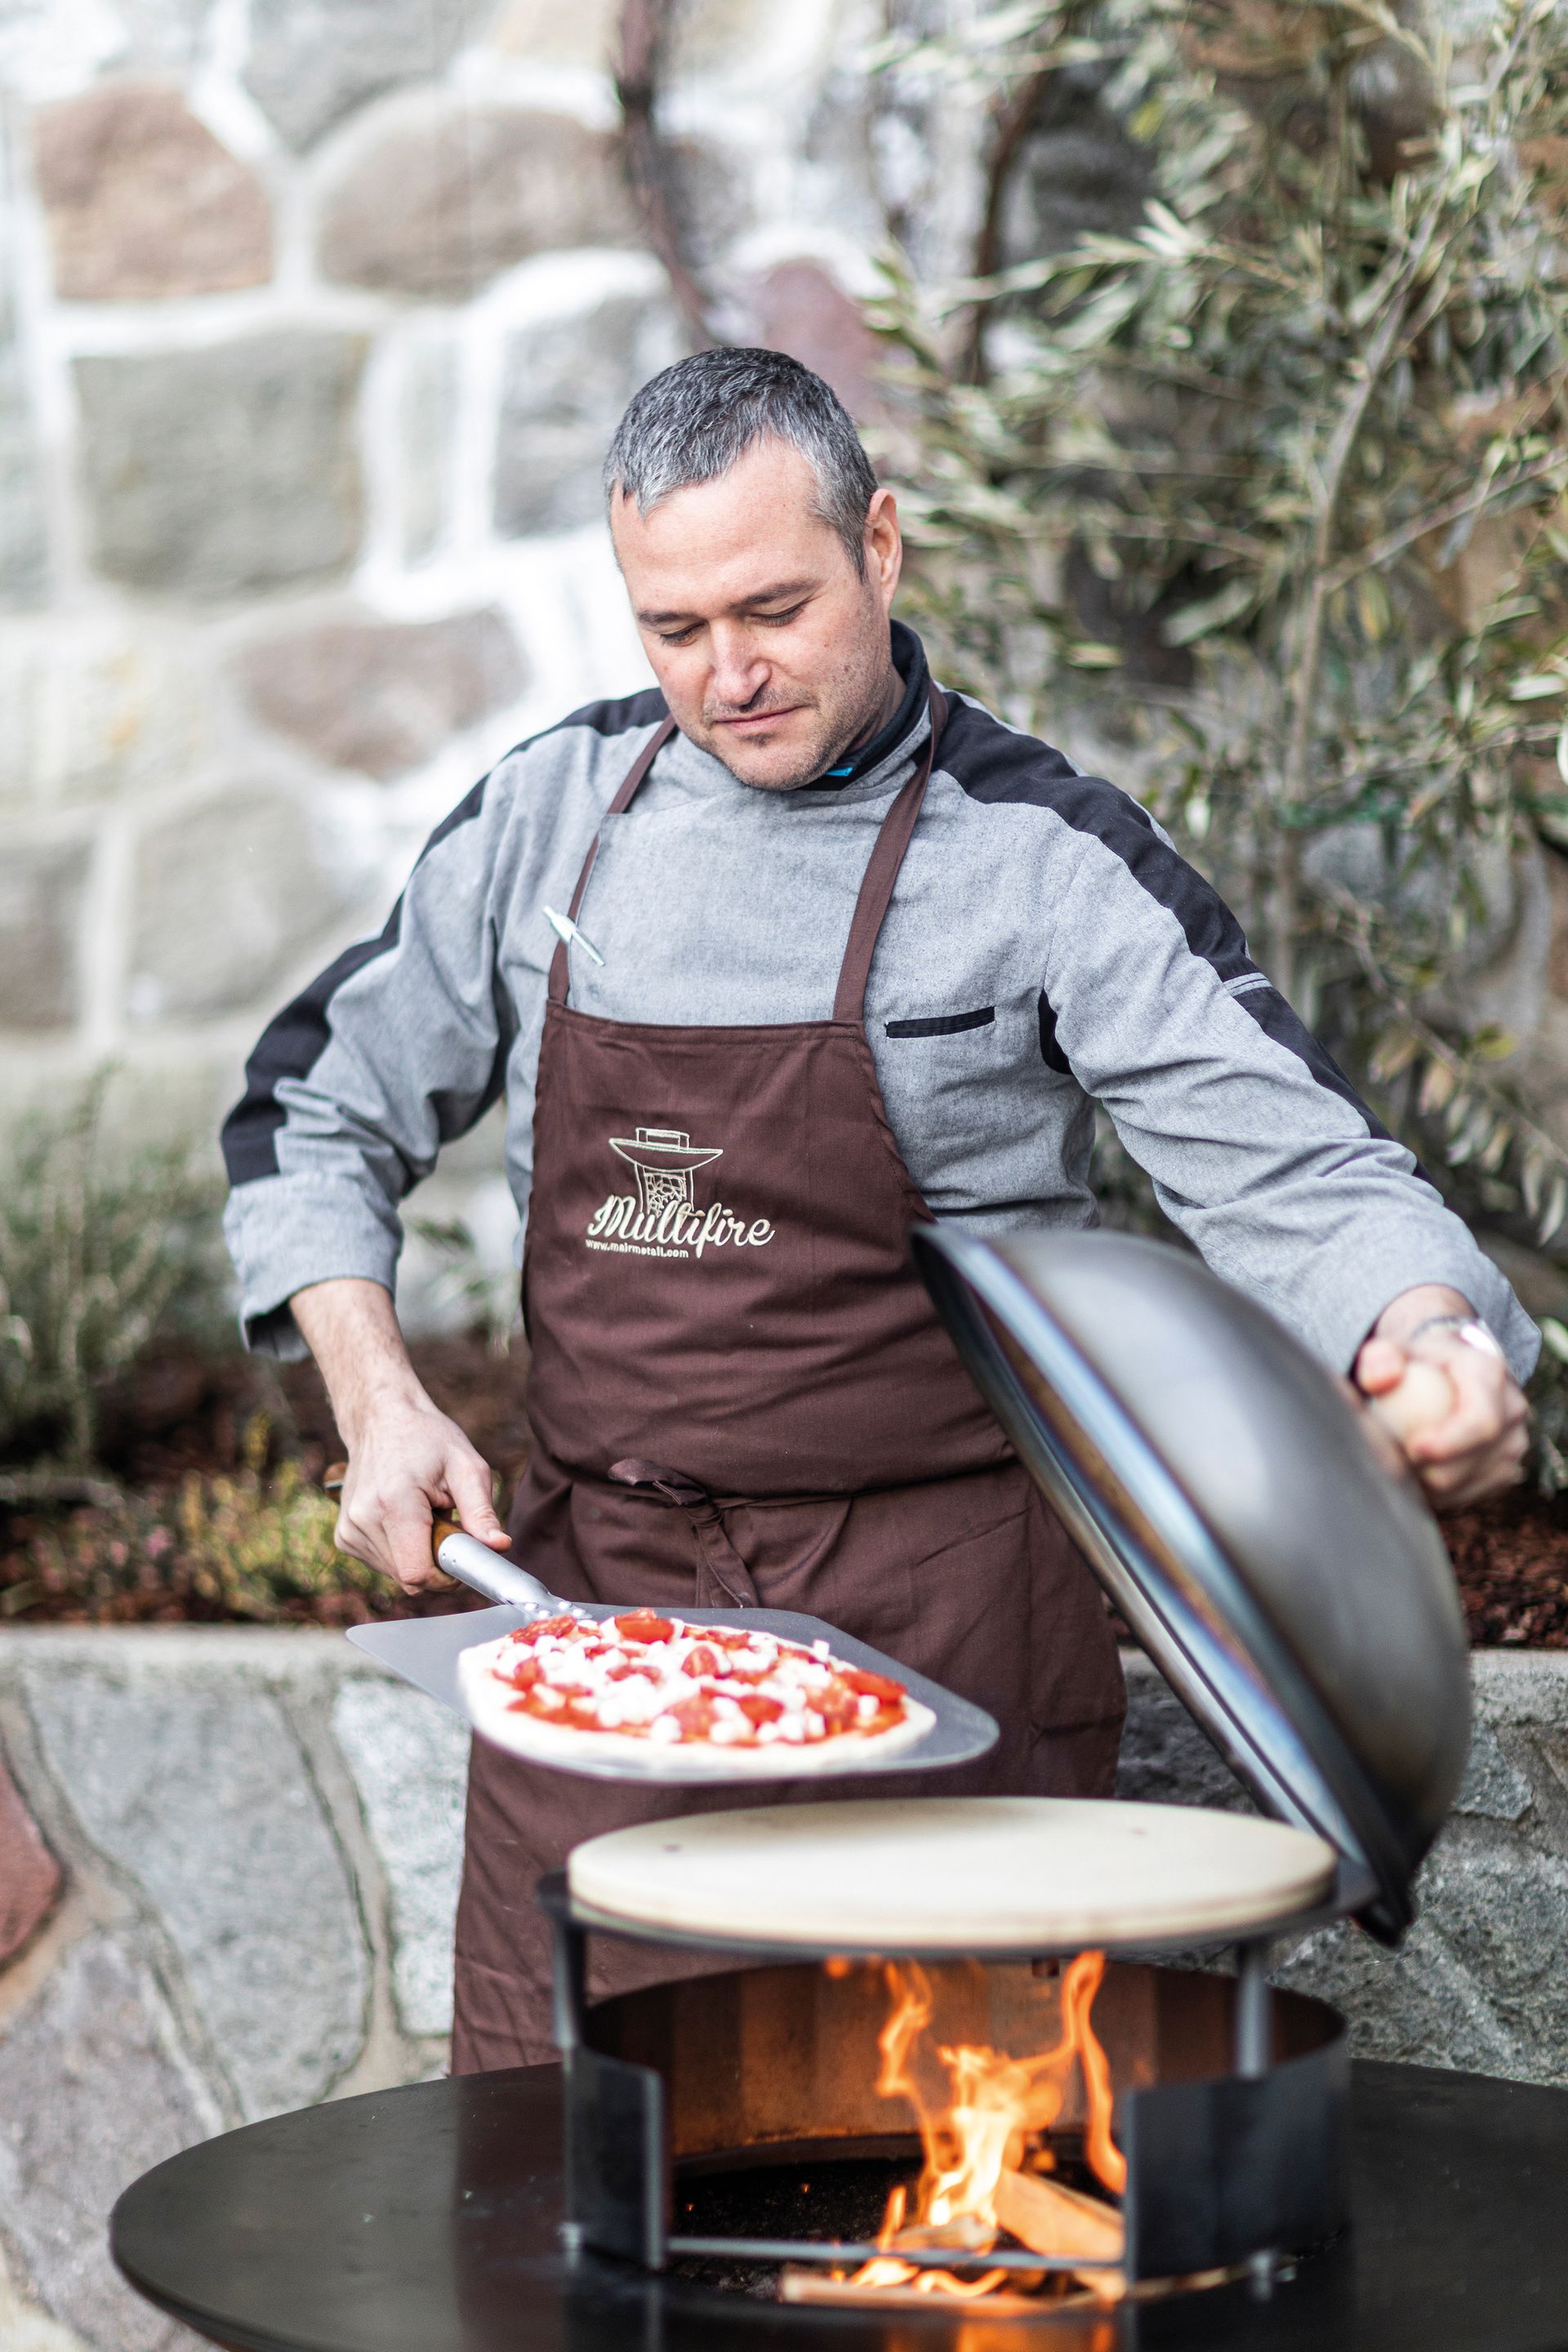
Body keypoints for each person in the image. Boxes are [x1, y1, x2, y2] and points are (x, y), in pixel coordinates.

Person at [222, 348, 1535, 2071]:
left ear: (884, 548)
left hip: (945, 1638)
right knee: (545, 2193)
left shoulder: (1042, 855)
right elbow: (315, 1103)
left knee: (949, 2199)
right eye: (673, 630)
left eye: (773, 606)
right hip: (602, 1634)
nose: (731, 674)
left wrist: (1429, 1333)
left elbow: (1295, 1166)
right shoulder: (554, 817)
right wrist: (378, 1399)